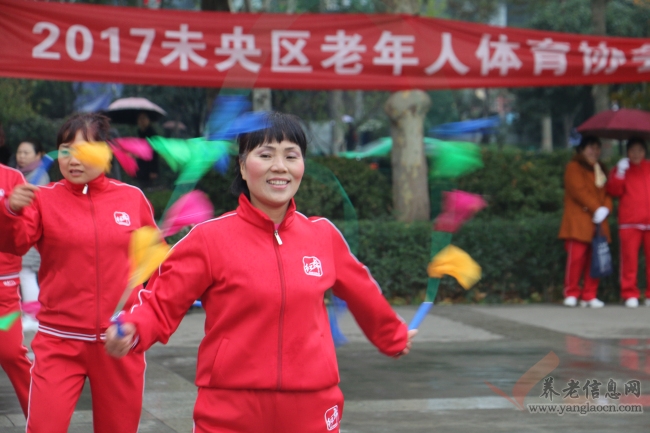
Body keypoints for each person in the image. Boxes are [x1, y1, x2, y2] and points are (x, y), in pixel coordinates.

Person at [105, 112, 416, 433]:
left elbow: (362, 291)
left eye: (291, 156)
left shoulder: (323, 237)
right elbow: (160, 303)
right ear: (242, 165)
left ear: (302, 166)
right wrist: (133, 328)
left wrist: (393, 336)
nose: (279, 166)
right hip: (230, 409)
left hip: (312, 405)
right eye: (265, 155)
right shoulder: (209, 239)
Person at [0, 113, 157, 433]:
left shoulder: (132, 199)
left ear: (106, 152)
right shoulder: (43, 199)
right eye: (65, 150)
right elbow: (14, 244)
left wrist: (141, 323)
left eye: (84, 150)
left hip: (118, 345)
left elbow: (156, 268)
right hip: (59, 342)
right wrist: (10, 211)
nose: (73, 159)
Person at [559, 136, 613, 308]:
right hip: (579, 220)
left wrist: (606, 208)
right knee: (576, 259)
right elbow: (578, 191)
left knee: (596, 258)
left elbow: (607, 193)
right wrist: (597, 208)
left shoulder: (601, 169)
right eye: (591, 147)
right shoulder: (573, 167)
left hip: (598, 221)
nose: (595, 151)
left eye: (597, 148)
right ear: (582, 149)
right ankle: (571, 292)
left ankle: (589, 294)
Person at [0, 162, 32, 418]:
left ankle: (40, 417)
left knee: (10, 353)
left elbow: (23, 232)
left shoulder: (12, 178)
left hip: (4, 285)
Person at [606, 137, 650, 308]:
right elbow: (613, 191)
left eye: (640, 150)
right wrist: (619, 174)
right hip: (630, 222)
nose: (636, 154)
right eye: (633, 150)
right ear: (627, 152)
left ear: (645, 152)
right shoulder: (621, 168)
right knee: (629, 260)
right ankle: (629, 292)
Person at [15, 139, 49, 331]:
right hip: (25, 230)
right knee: (26, 274)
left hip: (31, 230)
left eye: (26, 152)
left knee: (27, 273)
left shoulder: (39, 176)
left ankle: (34, 317)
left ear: (39, 155)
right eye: (20, 152)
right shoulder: (24, 174)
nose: (21, 156)